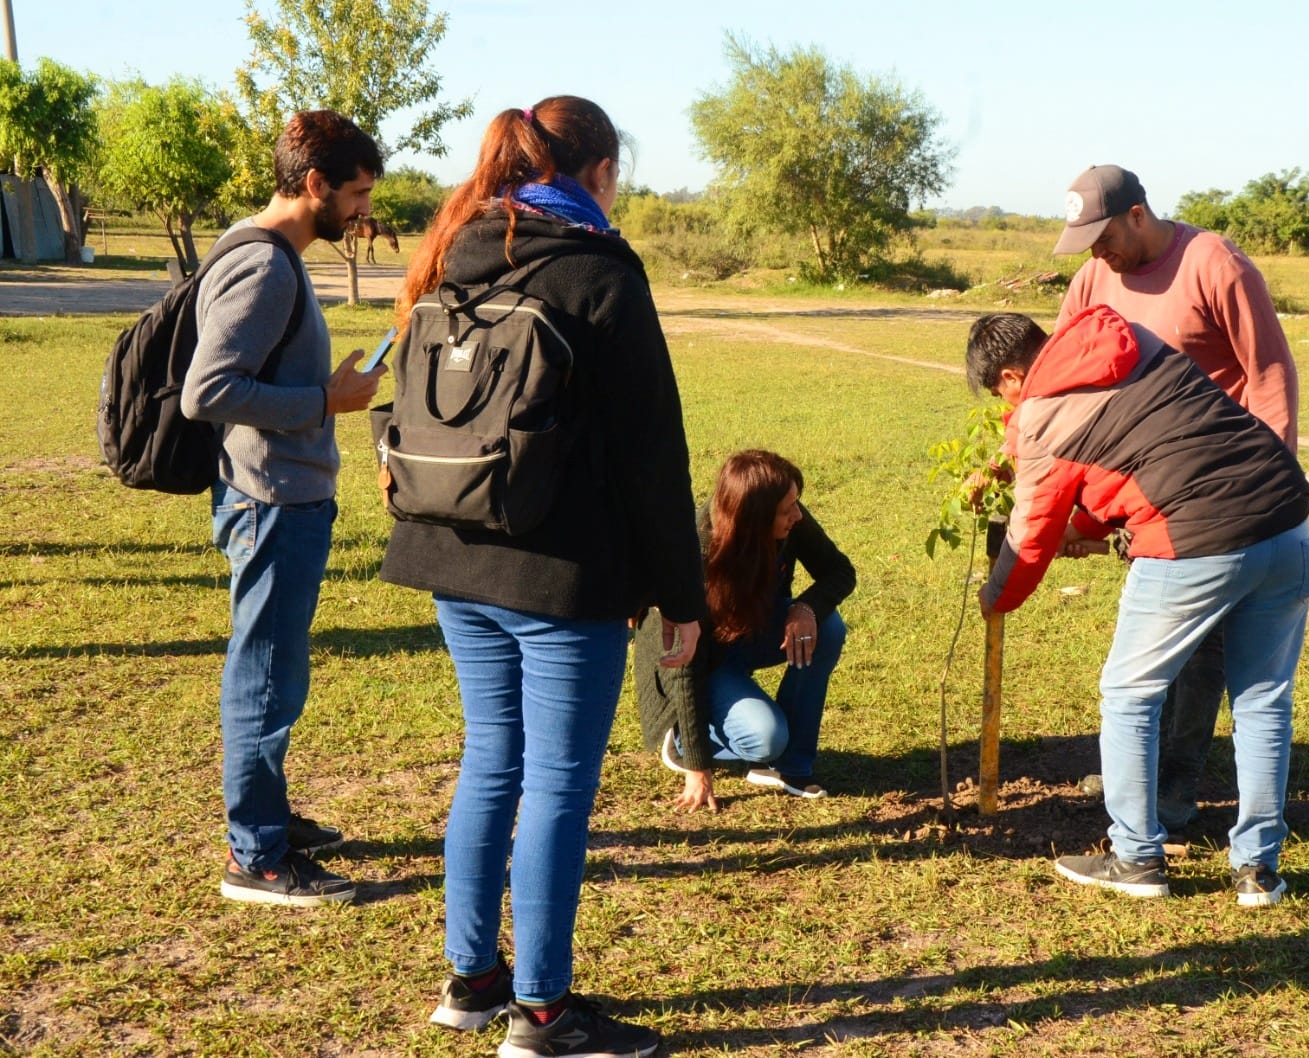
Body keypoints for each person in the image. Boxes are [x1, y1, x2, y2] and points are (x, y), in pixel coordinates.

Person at [378, 98, 704, 1058]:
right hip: (562, 577)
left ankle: (473, 982)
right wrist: (680, 600)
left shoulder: (447, 249)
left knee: (491, 761)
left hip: (451, 552)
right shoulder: (598, 270)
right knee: (558, 784)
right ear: (600, 171)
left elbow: (395, 410)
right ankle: (545, 1014)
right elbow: (654, 454)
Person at [967, 309, 1309, 906]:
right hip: (1287, 522)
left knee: (1129, 694)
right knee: (1262, 702)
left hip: (1194, 540)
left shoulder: (1039, 414)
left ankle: (1135, 858)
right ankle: (1258, 872)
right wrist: (1086, 525)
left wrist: (997, 594)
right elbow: (1148, 455)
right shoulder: (1132, 342)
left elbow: (1030, 535)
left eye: (999, 392)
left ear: (1009, 376)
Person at [1051, 164, 1300, 839]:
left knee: (1204, 654)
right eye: (1085, 243)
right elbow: (1068, 387)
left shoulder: (1212, 263)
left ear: (1138, 213)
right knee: (1155, 650)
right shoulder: (1094, 279)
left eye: (1103, 237)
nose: (1097, 254)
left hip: (1222, 494)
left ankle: (1169, 792)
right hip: (1143, 498)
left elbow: (1269, 372)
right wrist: (1082, 504)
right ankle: (1148, 775)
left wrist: (1275, 479)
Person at [182, 109, 385, 908]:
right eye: (357, 194)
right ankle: (256, 857)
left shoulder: (271, 255)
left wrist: (319, 392)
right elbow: (209, 390)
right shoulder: (265, 264)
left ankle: (267, 815)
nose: (364, 211)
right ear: (314, 185)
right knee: (263, 674)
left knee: (275, 669)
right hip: (271, 499)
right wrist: (324, 399)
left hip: (280, 492)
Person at [637, 450, 855, 810]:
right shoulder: (698, 549)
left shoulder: (790, 518)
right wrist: (697, 765)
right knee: (766, 737)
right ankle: (682, 741)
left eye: (796, 503)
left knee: (826, 625)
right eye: (787, 510)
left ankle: (792, 766)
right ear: (754, 516)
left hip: (748, 630)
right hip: (697, 660)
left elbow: (839, 571)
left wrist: (805, 607)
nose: (797, 515)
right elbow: (686, 666)